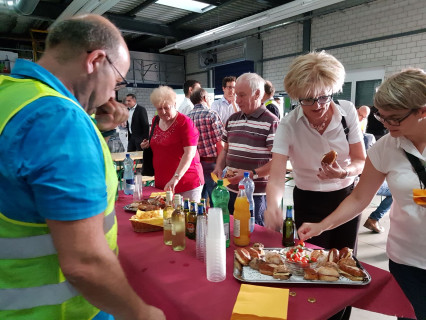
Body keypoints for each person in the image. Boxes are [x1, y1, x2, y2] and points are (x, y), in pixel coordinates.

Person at [0, 14, 164, 320]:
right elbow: (85, 263)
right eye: (116, 81)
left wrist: (93, 127)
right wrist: (141, 313)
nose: (111, 96)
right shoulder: (59, 120)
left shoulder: (11, 94)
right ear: (95, 60)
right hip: (56, 311)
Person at [298, 68, 426, 320]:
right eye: (382, 117)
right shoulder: (385, 147)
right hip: (407, 259)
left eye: (395, 119)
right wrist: (322, 226)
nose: (386, 125)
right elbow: (359, 198)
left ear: (422, 110)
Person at [264, 51, 366, 251]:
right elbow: (276, 176)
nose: (318, 105)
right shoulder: (289, 124)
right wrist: (273, 206)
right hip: (308, 200)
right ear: (296, 96)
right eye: (308, 99)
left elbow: (360, 160)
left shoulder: (347, 113)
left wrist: (344, 172)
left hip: (346, 197)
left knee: (344, 257)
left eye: (323, 97)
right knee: (311, 260)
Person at [213, 73, 279, 226]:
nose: (237, 100)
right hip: (229, 191)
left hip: (255, 195)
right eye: (236, 95)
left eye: (242, 95)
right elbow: (225, 150)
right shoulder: (232, 119)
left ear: (257, 94)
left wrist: (251, 174)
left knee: (253, 236)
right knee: (229, 230)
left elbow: (278, 162)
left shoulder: (271, 122)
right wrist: (218, 166)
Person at [141, 86, 204, 202]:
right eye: (159, 108)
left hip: (186, 182)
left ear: (174, 104)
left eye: (166, 107)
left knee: (186, 218)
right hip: (162, 183)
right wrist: (148, 144)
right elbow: (160, 142)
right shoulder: (155, 120)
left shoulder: (185, 123)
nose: (163, 112)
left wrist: (175, 178)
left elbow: (189, 154)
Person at [357, 106, 393, 234]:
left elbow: (414, 195)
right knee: (394, 192)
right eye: (382, 118)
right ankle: (374, 219)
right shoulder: (381, 142)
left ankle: (374, 219)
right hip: (358, 181)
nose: (386, 124)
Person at [187, 88, 224, 205]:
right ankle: (216, 222)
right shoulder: (211, 114)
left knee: (199, 199)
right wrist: (222, 163)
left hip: (195, 164)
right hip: (212, 163)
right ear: (204, 98)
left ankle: (200, 222)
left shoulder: (187, 118)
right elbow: (220, 142)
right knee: (216, 198)